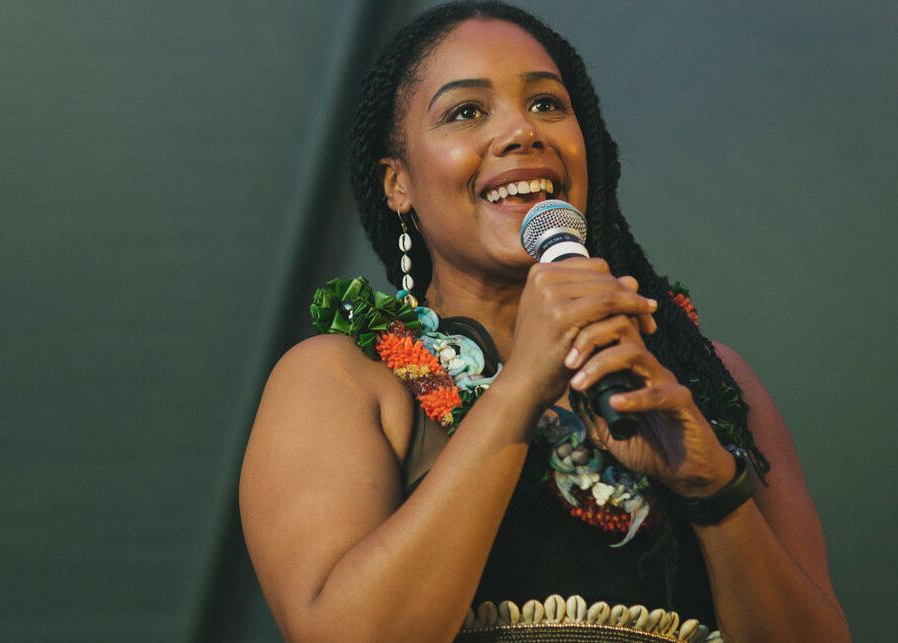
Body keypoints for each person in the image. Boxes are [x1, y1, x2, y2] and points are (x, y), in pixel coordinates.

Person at [239, 2, 850, 641]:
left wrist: (712, 487)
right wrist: (520, 388)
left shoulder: (712, 383)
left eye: (548, 106)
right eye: (466, 112)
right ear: (398, 184)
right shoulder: (342, 379)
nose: (522, 133)